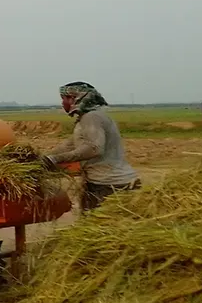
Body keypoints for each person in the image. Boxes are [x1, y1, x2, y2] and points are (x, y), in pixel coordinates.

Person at [44, 82, 139, 213]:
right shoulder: (88, 118)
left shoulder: (92, 117)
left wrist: (55, 159)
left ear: (74, 98)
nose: (62, 103)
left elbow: (94, 148)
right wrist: (42, 158)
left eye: (64, 99)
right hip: (104, 183)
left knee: (103, 228)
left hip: (110, 186)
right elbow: (70, 145)